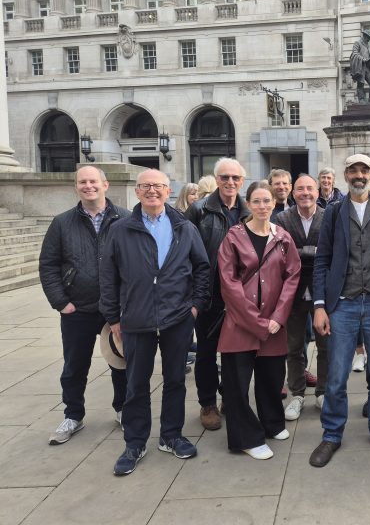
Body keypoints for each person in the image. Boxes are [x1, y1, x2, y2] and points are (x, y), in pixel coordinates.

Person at [101, 169, 210, 476]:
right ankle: (134, 442)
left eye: (158, 186)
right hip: (136, 320)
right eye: (145, 186)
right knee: (136, 384)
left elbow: (202, 268)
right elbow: (108, 277)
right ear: (137, 192)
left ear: (167, 190)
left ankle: (171, 435)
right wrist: (113, 317)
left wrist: (195, 307)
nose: (152, 191)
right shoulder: (121, 229)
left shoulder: (184, 227)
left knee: (175, 380)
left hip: (177, 318)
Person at [309, 154, 370, 467]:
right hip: (344, 304)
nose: (359, 175)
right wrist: (320, 306)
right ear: (345, 175)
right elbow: (321, 260)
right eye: (353, 170)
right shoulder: (334, 212)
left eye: (365, 170)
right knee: (336, 376)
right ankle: (332, 434)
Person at [39, 166, 130, 445]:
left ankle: (123, 409)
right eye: (82, 182)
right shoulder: (62, 222)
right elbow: (48, 265)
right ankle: (73, 414)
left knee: (121, 363)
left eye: (93, 181)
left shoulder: (125, 219)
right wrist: (61, 302)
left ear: (105, 184)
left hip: (114, 309)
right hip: (77, 309)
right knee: (75, 365)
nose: (88, 186)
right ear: (76, 186)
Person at [217, 183, 301, 460]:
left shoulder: (283, 237)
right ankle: (246, 438)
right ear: (248, 204)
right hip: (241, 323)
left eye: (267, 201)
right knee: (237, 384)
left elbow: (292, 277)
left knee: (270, 378)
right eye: (257, 201)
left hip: (274, 324)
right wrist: (255, 322)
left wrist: (278, 317)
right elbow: (228, 283)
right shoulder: (233, 237)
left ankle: (272, 423)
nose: (263, 206)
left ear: (273, 204)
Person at [185, 158, 249, 431]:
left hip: (241, 295)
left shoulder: (249, 211)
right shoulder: (198, 210)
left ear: (242, 181)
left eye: (235, 178)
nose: (230, 182)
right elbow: (185, 254)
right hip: (209, 294)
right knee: (207, 353)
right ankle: (208, 403)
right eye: (224, 177)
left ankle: (231, 398)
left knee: (237, 353)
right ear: (216, 178)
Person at [275, 174, 329, 420]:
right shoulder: (282, 219)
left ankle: (323, 392)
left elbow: (332, 253)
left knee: (325, 345)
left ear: (317, 192)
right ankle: (297, 394)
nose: (305, 192)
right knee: (293, 346)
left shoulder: (329, 216)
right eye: (300, 189)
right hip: (292, 291)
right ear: (292, 193)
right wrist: (313, 252)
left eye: (309, 188)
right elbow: (280, 253)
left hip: (323, 292)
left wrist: (301, 252)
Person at [349, 29, 370, 103]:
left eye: (369, 38)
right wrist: (363, 59)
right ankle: (361, 99)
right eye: (368, 37)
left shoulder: (368, 46)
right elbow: (354, 53)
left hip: (367, 67)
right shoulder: (357, 43)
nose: (368, 39)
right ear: (364, 36)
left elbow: (369, 56)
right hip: (360, 66)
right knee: (361, 83)